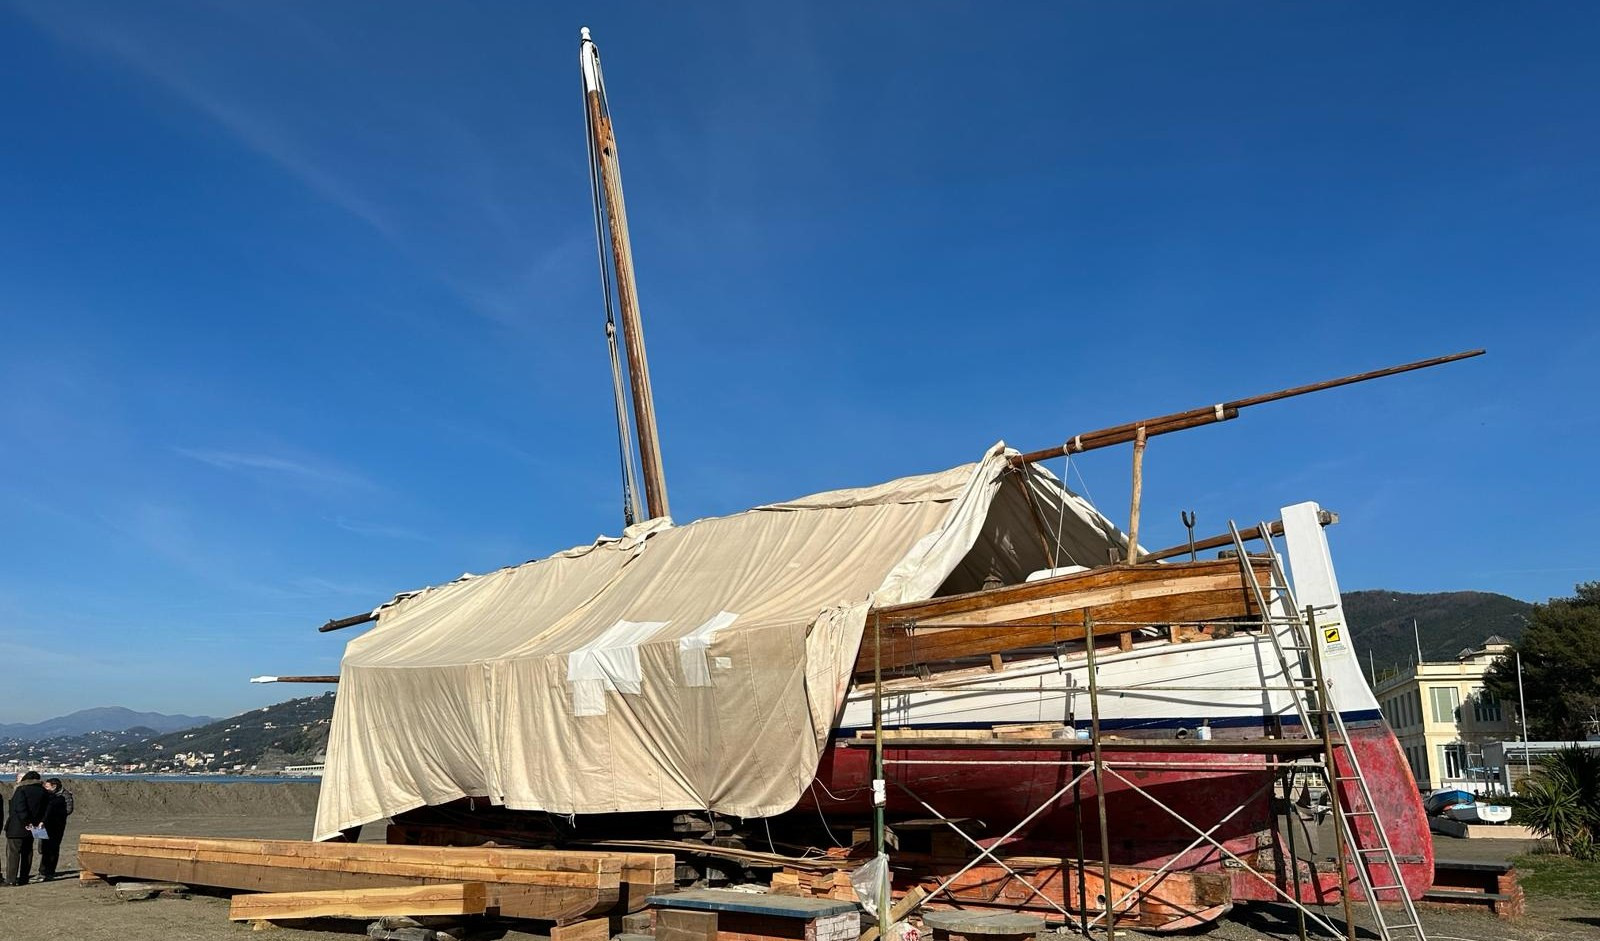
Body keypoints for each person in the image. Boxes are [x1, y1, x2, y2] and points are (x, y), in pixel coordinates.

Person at [5, 771, 50, 886]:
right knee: (28, 853)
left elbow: (19, 807)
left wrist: (27, 821)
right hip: (35, 827)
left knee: (13, 854)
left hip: (18, 827)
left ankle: (11, 879)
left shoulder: (21, 790)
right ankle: (24, 878)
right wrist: (40, 822)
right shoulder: (43, 792)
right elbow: (46, 810)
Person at [37, 778, 72, 881]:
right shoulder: (48, 795)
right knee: (43, 847)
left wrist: (55, 814)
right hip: (45, 824)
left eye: (47, 787)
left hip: (57, 825)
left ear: (54, 786)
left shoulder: (65, 795)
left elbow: (68, 810)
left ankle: (49, 871)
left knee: (53, 848)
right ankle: (43, 870)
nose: (45, 789)